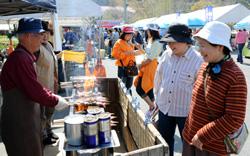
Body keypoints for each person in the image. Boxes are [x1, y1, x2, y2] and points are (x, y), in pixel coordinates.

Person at [0, 17, 68, 156]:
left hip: (26, 122)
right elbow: (34, 90)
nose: (41, 38)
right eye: (38, 35)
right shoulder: (20, 59)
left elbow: (34, 86)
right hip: (19, 125)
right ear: (26, 37)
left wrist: (51, 95)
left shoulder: (25, 56)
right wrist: (55, 100)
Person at [182, 21, 247, 156]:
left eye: (203, 46)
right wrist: (188, 131)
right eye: (199, 45)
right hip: (190, 139)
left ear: (219, 46)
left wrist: (202, 135)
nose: (199, 50)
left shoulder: (235, 76)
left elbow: (234, 118)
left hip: (212, 148)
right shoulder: (204, 66)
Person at [154, 24, 203, 156]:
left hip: (186, 113)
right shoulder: (166, 55)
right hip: (165, 109)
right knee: (164, 143)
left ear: (186, 41)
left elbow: (201, 91)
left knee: (188, 146)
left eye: (173, 42)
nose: (170, 45)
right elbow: (158, 78)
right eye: (168, 42)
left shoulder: (198, 60)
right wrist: (157, 100)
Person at [35, 20, 59, 146]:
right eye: (42, 33)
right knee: (42, 114)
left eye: (47, 33)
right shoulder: (36, 48)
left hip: (51, 85)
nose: (45, 36)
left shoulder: (49, 45)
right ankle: (43, 136)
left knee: (50, 112)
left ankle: (49, 131)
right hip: (41, 86)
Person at [134, 24, 162, 120]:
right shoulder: (151, 41)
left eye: (148, 30)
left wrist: (140, 65)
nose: (146, 32)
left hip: (150, 66)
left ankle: (152, 106)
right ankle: (153, 107)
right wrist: (140, 49)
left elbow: (150, 58)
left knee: (140, 88)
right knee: (148, 88)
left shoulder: (157, 43)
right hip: (146, 65)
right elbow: (147, 54)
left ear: (152, 31)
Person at [112, 26, 144, 93]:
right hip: (123, 67)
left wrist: (138, 47)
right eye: (127, 34)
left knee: (129, 85)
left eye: (131, 34)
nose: (129, 36)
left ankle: (128, 98)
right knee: (122, 86)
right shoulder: (119, 42)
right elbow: (114, 54)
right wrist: (127, 53)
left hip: (131, 67)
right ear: (123, 34)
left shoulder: (131, 43)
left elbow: (141, 52)